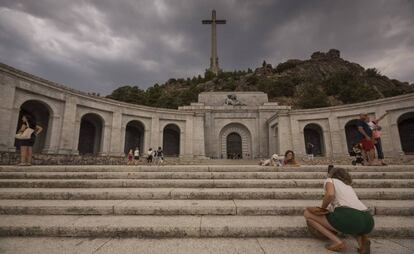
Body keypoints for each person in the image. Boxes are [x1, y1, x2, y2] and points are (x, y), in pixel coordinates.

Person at [304, 166, 374, 253]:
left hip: (350, 216)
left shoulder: (330, 180)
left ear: (332, 174)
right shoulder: (348, 186)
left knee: (308, 214)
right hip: (368, 219)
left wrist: (322, 208)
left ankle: (338, 242)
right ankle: (362, 243)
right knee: (352, 223)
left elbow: (330, 194)